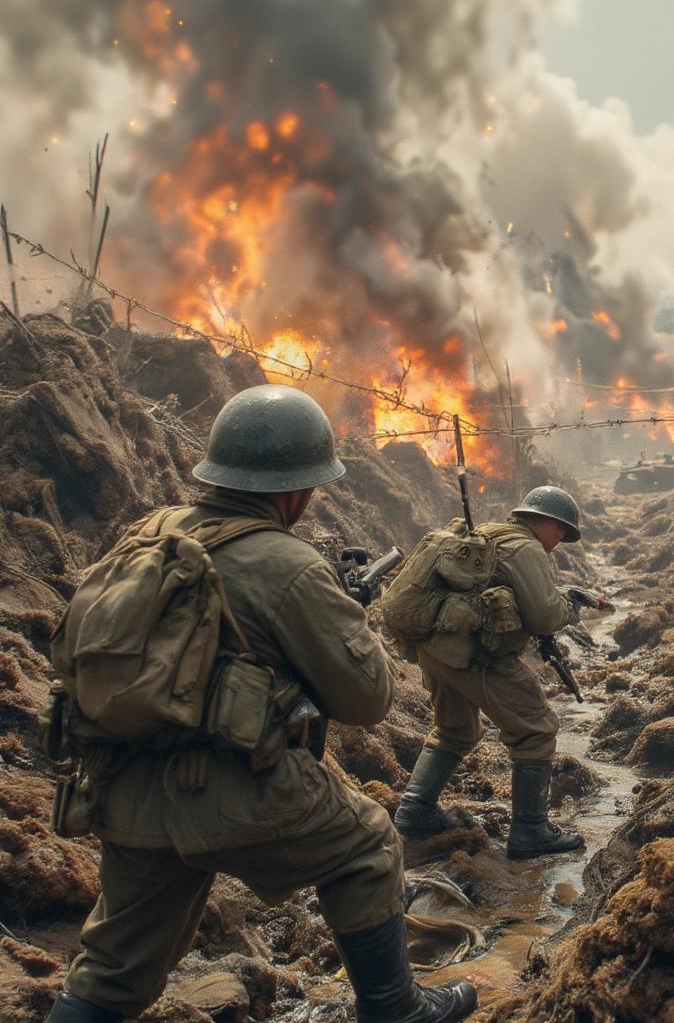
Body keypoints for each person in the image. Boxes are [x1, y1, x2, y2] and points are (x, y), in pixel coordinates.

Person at [46, 385, 476, 1023]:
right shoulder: (289, 564)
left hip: (122, 785)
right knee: (369, 845)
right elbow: (367, 702)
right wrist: (349, 625)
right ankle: (396, 1008)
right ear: (298, 491)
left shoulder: (149, 534)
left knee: (111, 970)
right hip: (235, 790)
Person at [394, 486, 585, 860]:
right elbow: (544, 615)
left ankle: (415, 809)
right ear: (541, 520)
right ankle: (531, 830)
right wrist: (570, 606)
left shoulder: (486, 534)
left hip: (436, 648)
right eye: (560, 530)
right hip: (474, 655)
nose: (560, 539)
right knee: (536, 727)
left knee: (456, 729)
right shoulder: (526, 547)